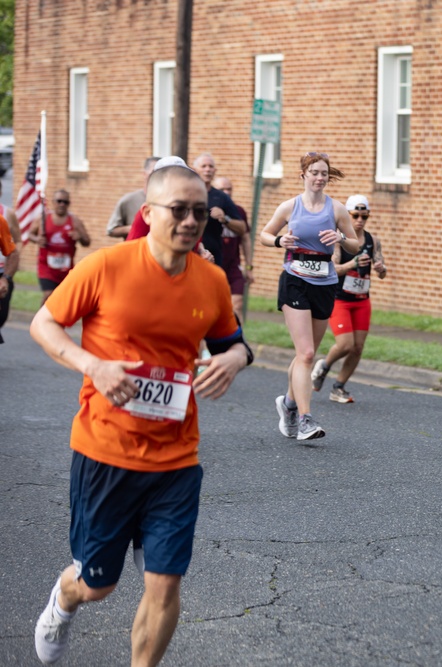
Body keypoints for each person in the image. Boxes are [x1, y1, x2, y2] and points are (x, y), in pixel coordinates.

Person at [30, 159, 252, 666]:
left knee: (165, 581)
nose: (192, 221)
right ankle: (64, 600)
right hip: (105, 451)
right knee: (97, 584)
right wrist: (94, 366)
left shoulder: (211, 280)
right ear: (148, 212)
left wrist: (234, 360)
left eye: (199, 211)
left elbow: (234, 343)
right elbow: (44, 324)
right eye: (179, 210)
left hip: (176, 458)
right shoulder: (105, 268)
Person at [259, 152, 362, 440]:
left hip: (325, 282)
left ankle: (289, 404)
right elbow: (265, 234)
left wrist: (340, 239)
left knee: (306, 354)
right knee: (305, 353)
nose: (319, 177)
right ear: (303, 175)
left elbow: (354, 245)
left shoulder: (337, 209)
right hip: (295, 280)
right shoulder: (290, 206)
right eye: (314, 172)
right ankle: (305, 418)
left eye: (324, 173)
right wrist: (280, 240)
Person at [310, 194, 387, 403]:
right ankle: (324, 366)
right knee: (345, 344)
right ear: (348, 215)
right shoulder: (338, 239)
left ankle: (339, 387)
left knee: (358, 347)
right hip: (340, 298)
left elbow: (381, 271)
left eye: (364, 216)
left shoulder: (373, 241)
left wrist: (381, 268)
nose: (360, 220)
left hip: (362, 299)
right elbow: (332, 268)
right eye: (355, 215)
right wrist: (352, 264)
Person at [27, 189, 91, 305]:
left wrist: (79, 236)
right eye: (59, 201)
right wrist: (38, 239)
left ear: (69, 204)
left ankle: (56, 322)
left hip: (65, 268)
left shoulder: (74, 221)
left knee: (63, 300)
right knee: (49, 295)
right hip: (46, 266)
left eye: (65, 202)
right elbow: (30, 234)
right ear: (53, 202)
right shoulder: (43, 218)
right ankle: (41, 320)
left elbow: (87, 241)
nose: (62, 204)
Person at [212, 176, 254, 314]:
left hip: (233, 266)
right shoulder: (207, 210)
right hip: (213, 266)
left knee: (237, 305)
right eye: (222, 189)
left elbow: (246, 239)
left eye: (229, 189)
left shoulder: (238, 212)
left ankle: (238, 335)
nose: (226, 192)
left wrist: (248, 267)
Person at [106, 156, 159, 238]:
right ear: (144, 174)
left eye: (160, 172)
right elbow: (111, 230)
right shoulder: (129, 200)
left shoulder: (168, 202)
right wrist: (135, 228)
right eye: (153, 172)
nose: (157, 176)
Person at [0, 183, 21, 344]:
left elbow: (13, 251)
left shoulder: (3, 219)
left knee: (2, 315)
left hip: (1, 270)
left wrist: (5, 277)